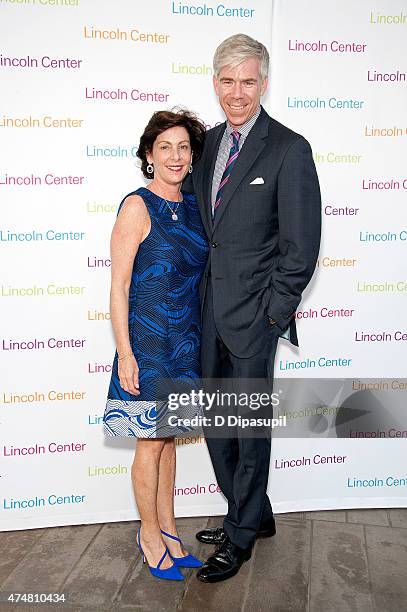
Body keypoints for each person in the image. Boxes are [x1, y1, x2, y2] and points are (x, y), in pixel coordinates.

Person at [184, 34, 321, 583]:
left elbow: (301, 246)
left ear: (264, 84)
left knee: (247, 426)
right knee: (218, 427)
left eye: (247, 81)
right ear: (215, 84)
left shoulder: (289, 148)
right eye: (227, 81)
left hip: (254, 319)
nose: (237, 93)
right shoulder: (208, 145)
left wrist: (273, 312)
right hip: (207, 314)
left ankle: (240, 535)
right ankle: (253, 513)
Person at [103, 109, 208, 581]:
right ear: (149, 155)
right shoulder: (136, 206)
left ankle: (168, 529)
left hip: (185, 343)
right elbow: (119, 287)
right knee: (150, 443)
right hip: (147, 343)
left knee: (168, 444)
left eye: (183, 147)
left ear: (192, 157)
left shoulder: (194, 207)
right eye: (165, 146)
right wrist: (125, 352)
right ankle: (148, 536)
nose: (175, 155)